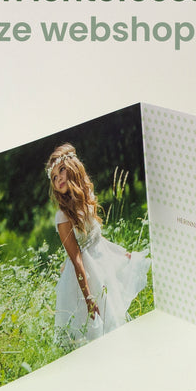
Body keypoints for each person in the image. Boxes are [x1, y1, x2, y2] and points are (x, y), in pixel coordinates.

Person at [45, 142, 150, 349]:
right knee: (95, 334)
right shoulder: (63, 216)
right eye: (54, 177)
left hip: (102, 267)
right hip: (84, 278)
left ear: (73, 167)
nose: (58, 179)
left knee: (113, 323)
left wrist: (121, 253)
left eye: (61, 170)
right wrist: (89, 299)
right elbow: (76, 260)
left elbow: (97, 239)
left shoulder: (86, 201)